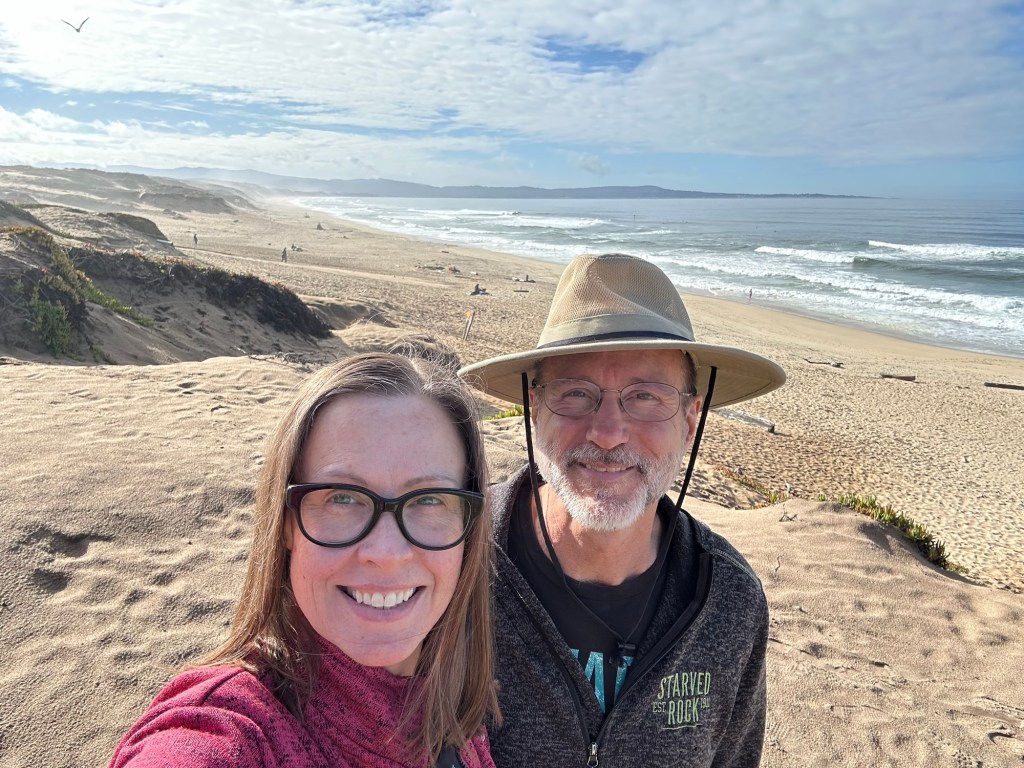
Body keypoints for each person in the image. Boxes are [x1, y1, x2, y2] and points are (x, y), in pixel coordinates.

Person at [458, 253, 785, 767]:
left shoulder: (729, 601)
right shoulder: (453, 557)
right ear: (533, 407)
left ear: (691, 419)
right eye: (575, 393)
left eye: (645, 397)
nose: (607, 433)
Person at [110, 352, 500, 767]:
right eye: (342, 498)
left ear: (469, 527)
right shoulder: (230, 734)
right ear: (285, 524)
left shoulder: (447, 692)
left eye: (429, 499)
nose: (386, 554)